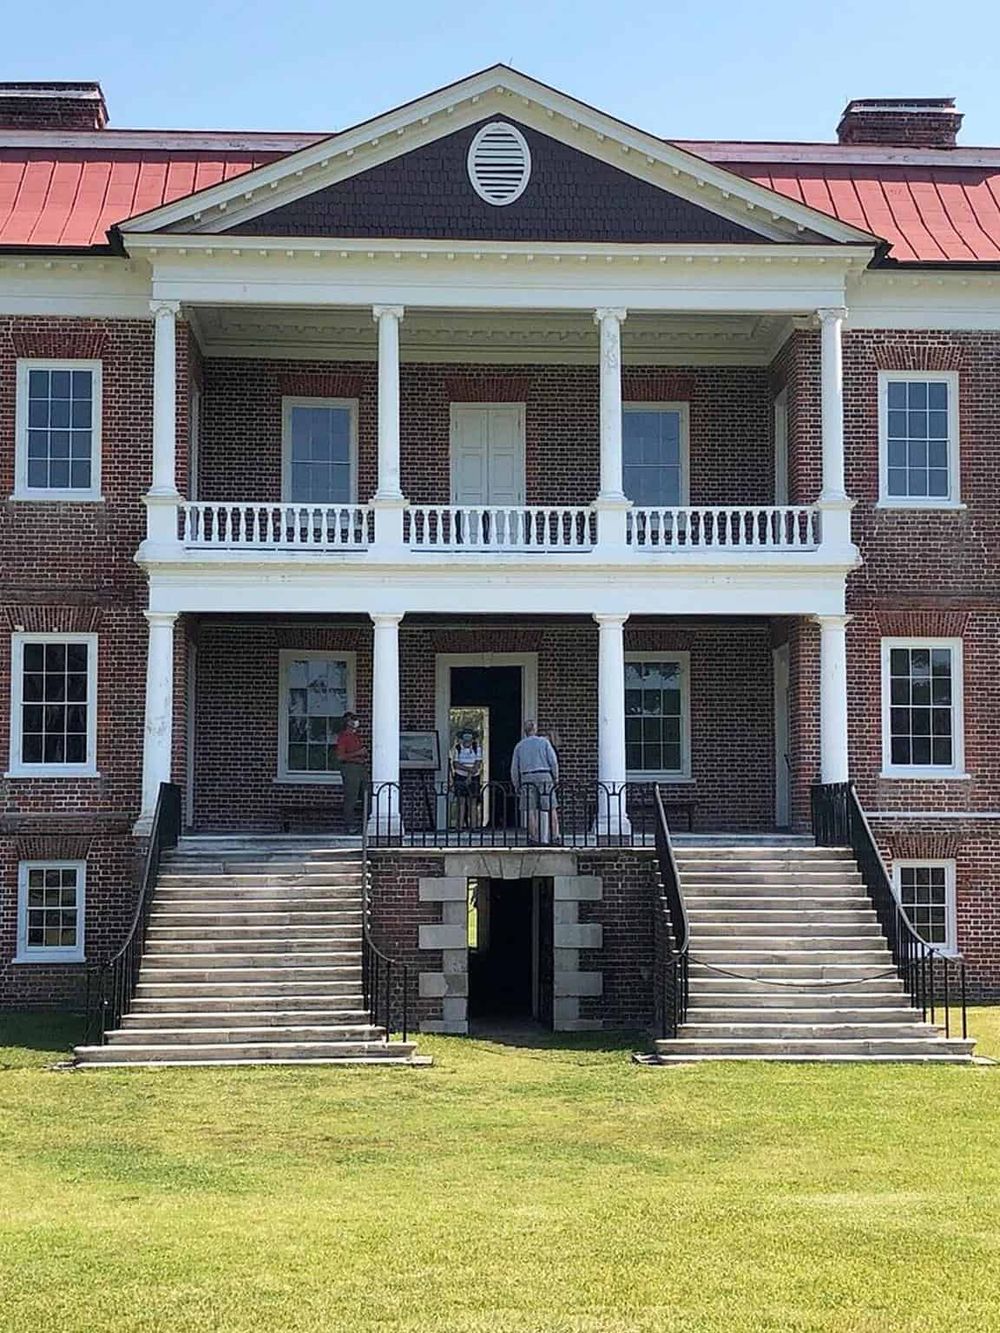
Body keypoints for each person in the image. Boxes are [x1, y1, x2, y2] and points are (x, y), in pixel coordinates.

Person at [510, 720, 559, 844]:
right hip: (544, 775)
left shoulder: (519, 746)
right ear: (535, 729)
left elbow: (514, 768)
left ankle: (533, 837)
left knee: (530, 809)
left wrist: (517, 784)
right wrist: (555, 778)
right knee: (551, 808)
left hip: (527, 777)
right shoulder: (544, 742)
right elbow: (553, 761)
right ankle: (555, 836)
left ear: (525, 731)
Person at [335, 711, 368, 834]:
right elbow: (340, 757)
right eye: (352, 719)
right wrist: (358, 754)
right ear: (347, 722)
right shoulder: (343, 737)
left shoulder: (356, 736)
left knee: (367, 795)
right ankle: (350, 826)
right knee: (351, 798)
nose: (355, 721)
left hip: (361, 767)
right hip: (350, 769)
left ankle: (367, 823)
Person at [450, 728, 483, 830]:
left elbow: (477, 764)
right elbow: (455, 764)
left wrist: (469, 774)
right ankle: (459, 826)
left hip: (474, 777)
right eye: (465, 738)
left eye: (469, 738)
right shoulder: (457, 749)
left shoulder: (477, 749)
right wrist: (469, 770)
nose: (467, 741)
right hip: (460, 776)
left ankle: (474, 826)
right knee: (461, 801)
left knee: (473, 802)